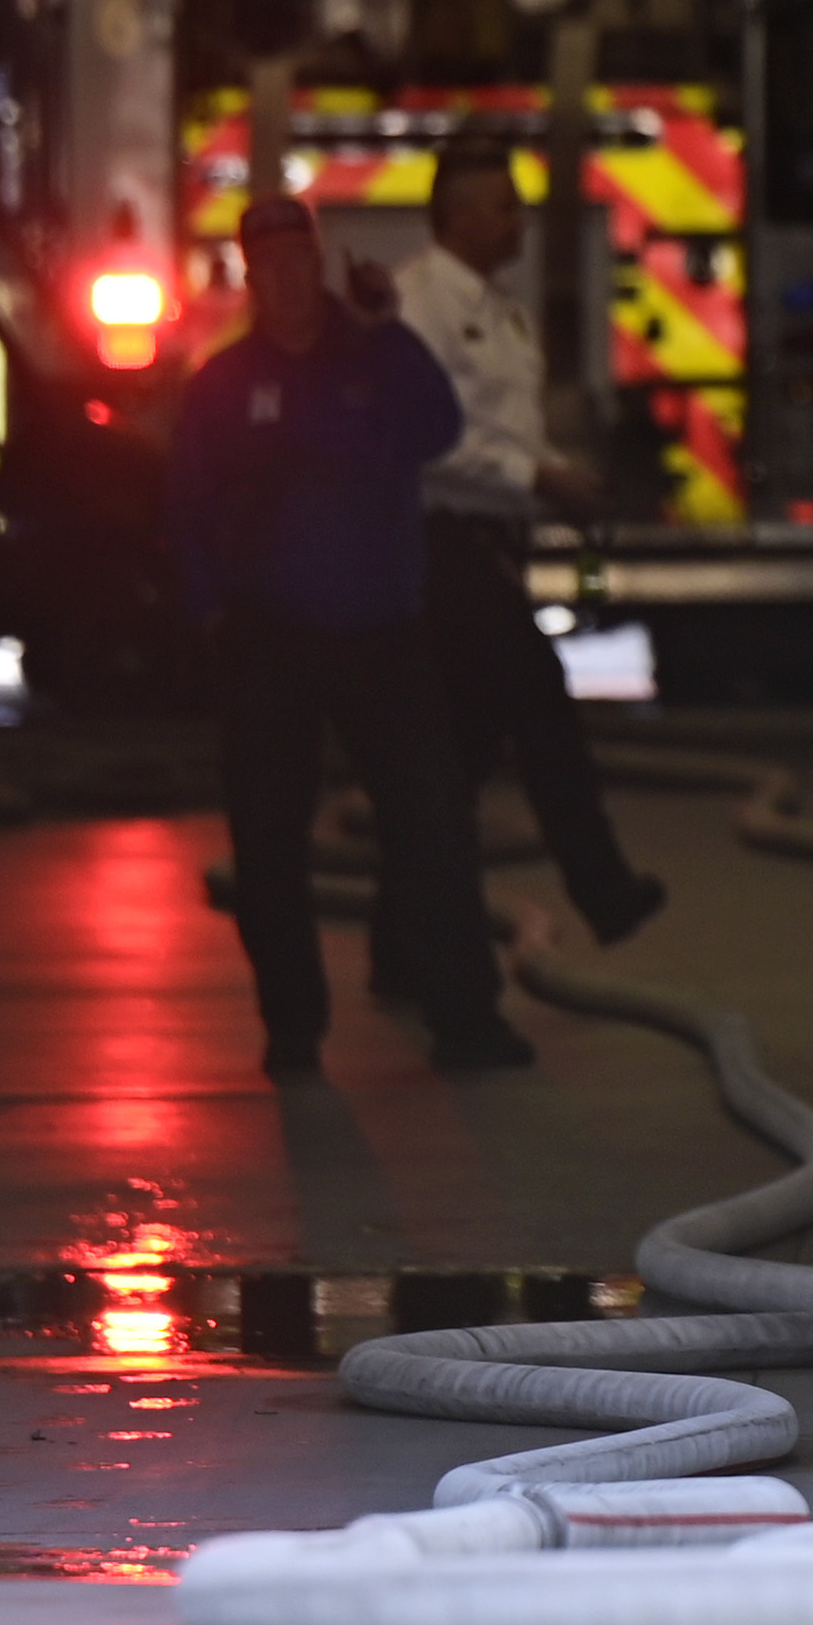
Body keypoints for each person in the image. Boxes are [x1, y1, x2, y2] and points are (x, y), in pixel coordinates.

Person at [169, 189, 536, 1078]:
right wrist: (209, 611)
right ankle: (292, 1029)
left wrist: (386, 330)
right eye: (269, 266)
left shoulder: (374, 354)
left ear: (320, 262)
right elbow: (185, 510)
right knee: (267, 842)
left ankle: (466, 1020)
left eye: (300, 260)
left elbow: (438, 426)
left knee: (433, 824)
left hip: (382, 636)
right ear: (251, 276)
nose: (287, 279)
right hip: (269, 643)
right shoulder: (222, 384)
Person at [399, 132, 667, 947]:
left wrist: (563, 480)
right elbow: (424, 439)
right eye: (503, 204)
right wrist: (537, 479)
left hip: (494, 547)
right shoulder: (420, 308)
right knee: (543, 711)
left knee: (461, 760)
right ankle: (604, 889)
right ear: (459, 214)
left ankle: (401, 944)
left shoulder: (501, 311)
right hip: (444, 549)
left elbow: (505, 428)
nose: (517, 220)